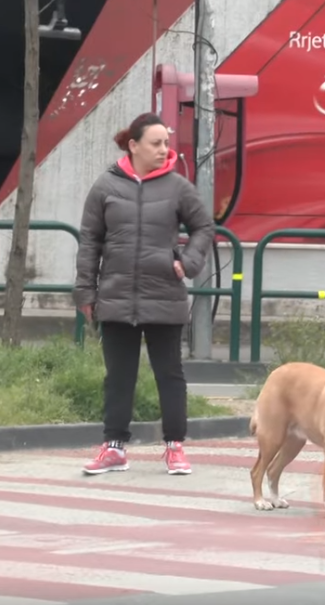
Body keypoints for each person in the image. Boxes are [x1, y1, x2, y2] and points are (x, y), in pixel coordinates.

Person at [73, 112, 216, 475]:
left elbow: (203, 226)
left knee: (169, 373)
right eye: (156, 143)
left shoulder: (177, 186)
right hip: (116, 296)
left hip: (164, 295)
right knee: (118, 376)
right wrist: (85, 292)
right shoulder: (105, 186)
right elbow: (89, 241)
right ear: (133, 146)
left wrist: (188, 261)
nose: (164, 150)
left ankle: (175, 447)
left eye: (166, 143)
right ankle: (115, 448)